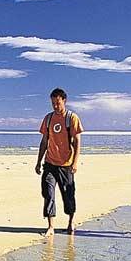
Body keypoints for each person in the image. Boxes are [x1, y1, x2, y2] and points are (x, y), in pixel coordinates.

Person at [35, 88, 84, 236]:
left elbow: (77, 141)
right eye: (53, 103)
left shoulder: (72, 118)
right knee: (48, 193)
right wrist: (38, 161)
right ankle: (51, 226)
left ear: (64, 101)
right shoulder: (48, 118)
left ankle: (71, 222)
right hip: (50, 163)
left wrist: (75, 162)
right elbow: (44, 141)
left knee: (68, 194)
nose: (55, 106)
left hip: (66, 164)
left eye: (58, 103)